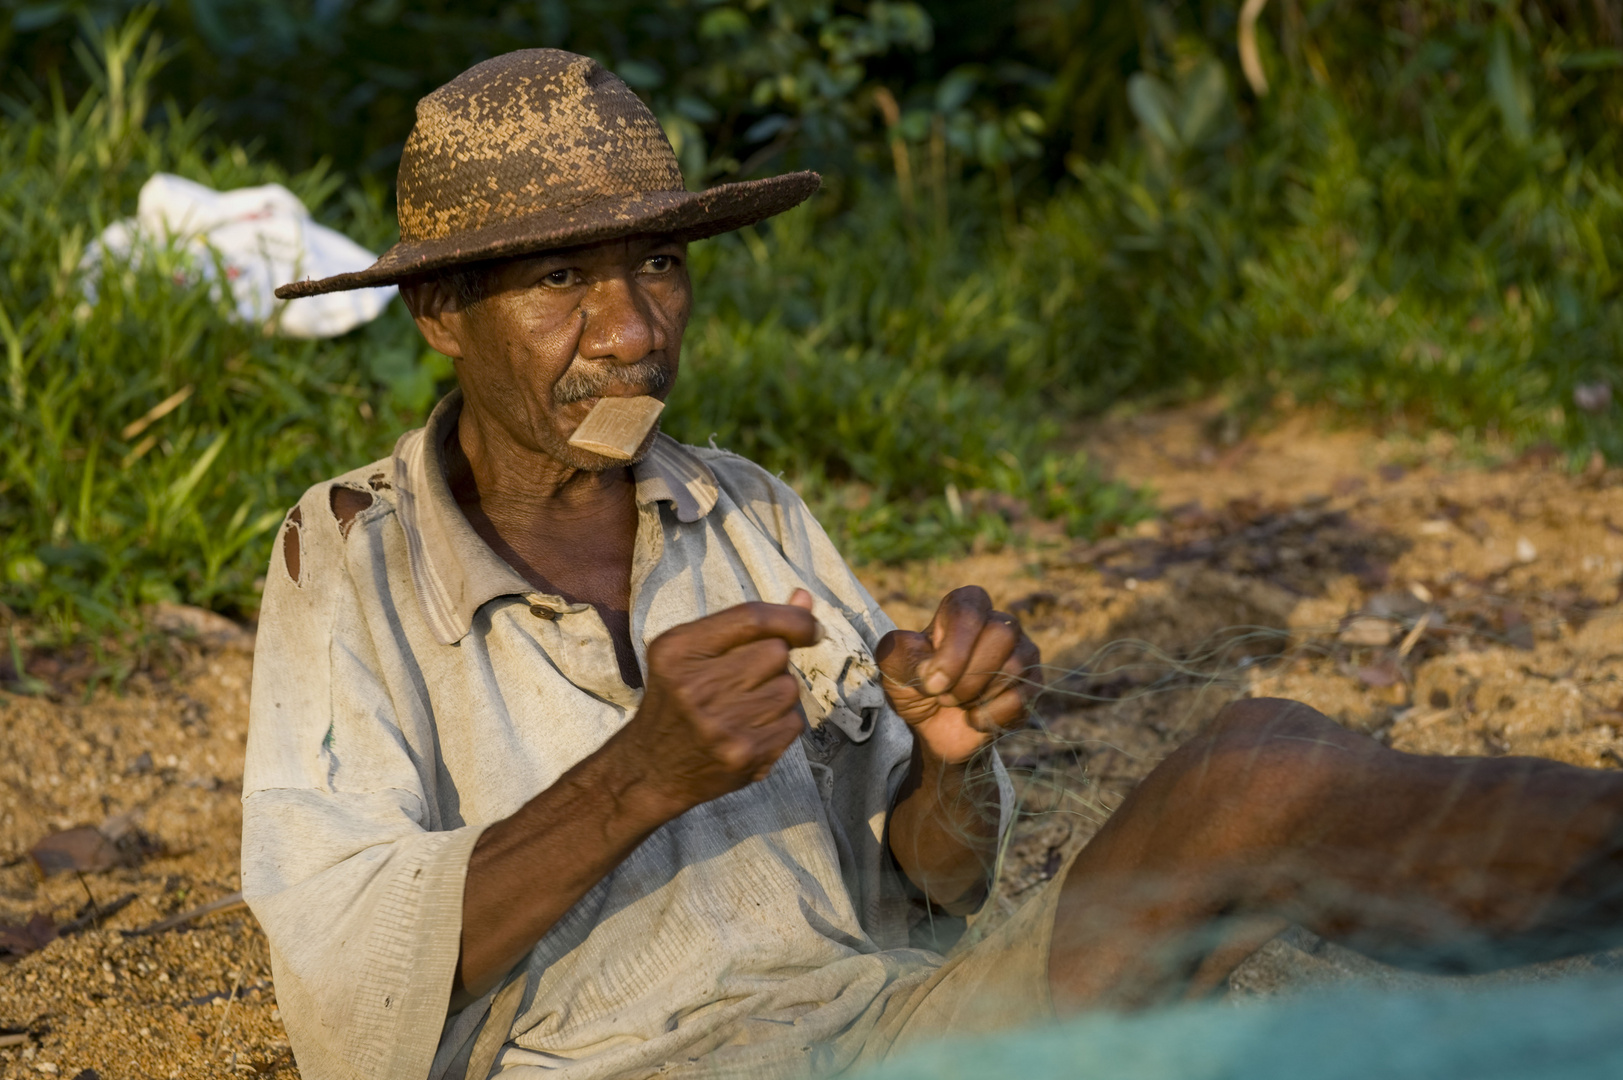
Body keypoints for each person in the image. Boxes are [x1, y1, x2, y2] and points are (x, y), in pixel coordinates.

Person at [245, 49, 1623, 1080]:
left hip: (886, 1035)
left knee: (1253, 771)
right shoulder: (350, 558)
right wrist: (638, 779)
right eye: (560, 283)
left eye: (658, 263)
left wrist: (950, 758)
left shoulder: (743, 512)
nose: (631, 331)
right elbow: (348, 1008)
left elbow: (935, 880)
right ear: (439, 310)